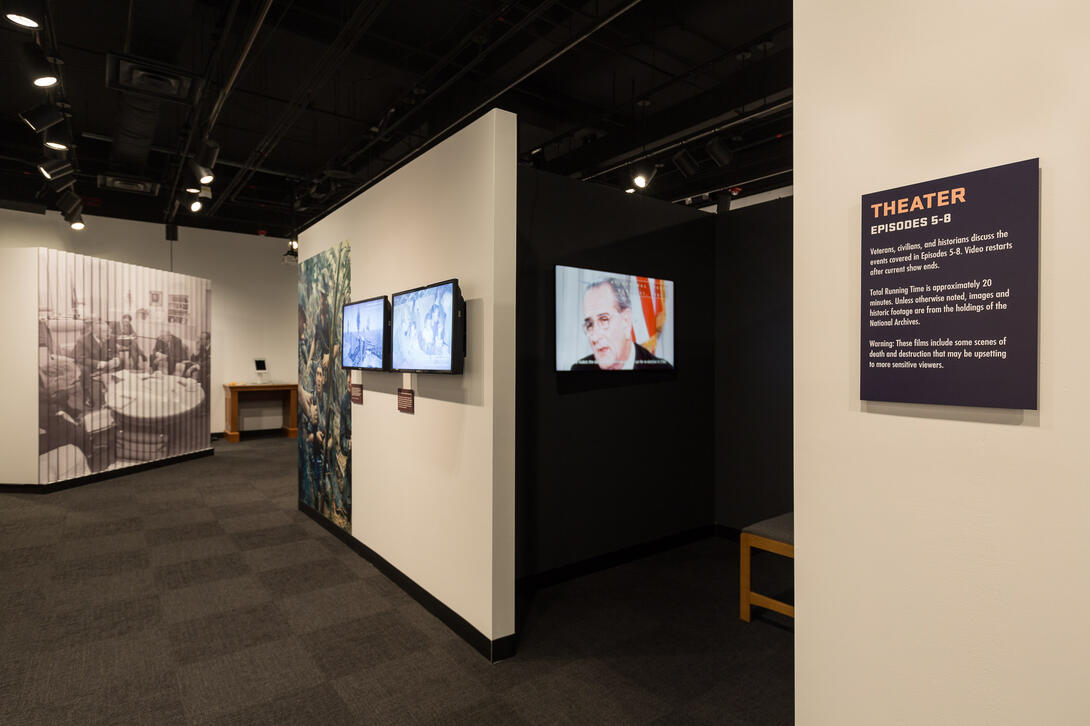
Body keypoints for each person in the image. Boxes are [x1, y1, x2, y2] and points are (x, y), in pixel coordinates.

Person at [570, 278, 672, 371]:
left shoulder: (661, 370)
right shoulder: (579, 370)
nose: (595, 338)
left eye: (604, 319)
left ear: (626, 321)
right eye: (590, 325)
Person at [72, 319, 120, 406]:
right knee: (84, 369)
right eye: (105, 332)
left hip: (105, 362)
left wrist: (116, 358)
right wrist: (99, 363)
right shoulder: (82, 341)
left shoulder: (110, 337)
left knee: (121, 362)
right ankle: (87, 395)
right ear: (95, 333)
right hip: (89, 364)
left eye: (109, 330)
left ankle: (116, 391)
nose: (109, 333)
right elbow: (81, 359)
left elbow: (115, 351)